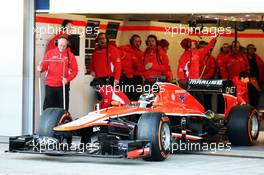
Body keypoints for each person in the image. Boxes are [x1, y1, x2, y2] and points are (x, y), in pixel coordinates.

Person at [38, 35, 78, 110]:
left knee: (62, 109)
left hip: (63, 85)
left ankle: (62, 122)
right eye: (60, 45)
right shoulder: (50, 53)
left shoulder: (70, 56)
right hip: (50, 85)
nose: (62, 48)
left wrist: (67, 79)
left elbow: (75, 71)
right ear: (57, 44)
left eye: (64, 46)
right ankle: (49, 121)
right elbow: (44, 66)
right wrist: (40, 68)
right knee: (48, 109)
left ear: (67, 45)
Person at [246, 44, 264, 108]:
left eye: (253, 48)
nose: (251, 50)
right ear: (247, 50)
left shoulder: (258, 58)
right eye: (250, 48)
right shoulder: (244, 58)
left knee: (256, 98)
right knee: (248, 98)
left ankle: (255, 112)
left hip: (257, 82)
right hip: (247, 82)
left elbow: (262, 68)